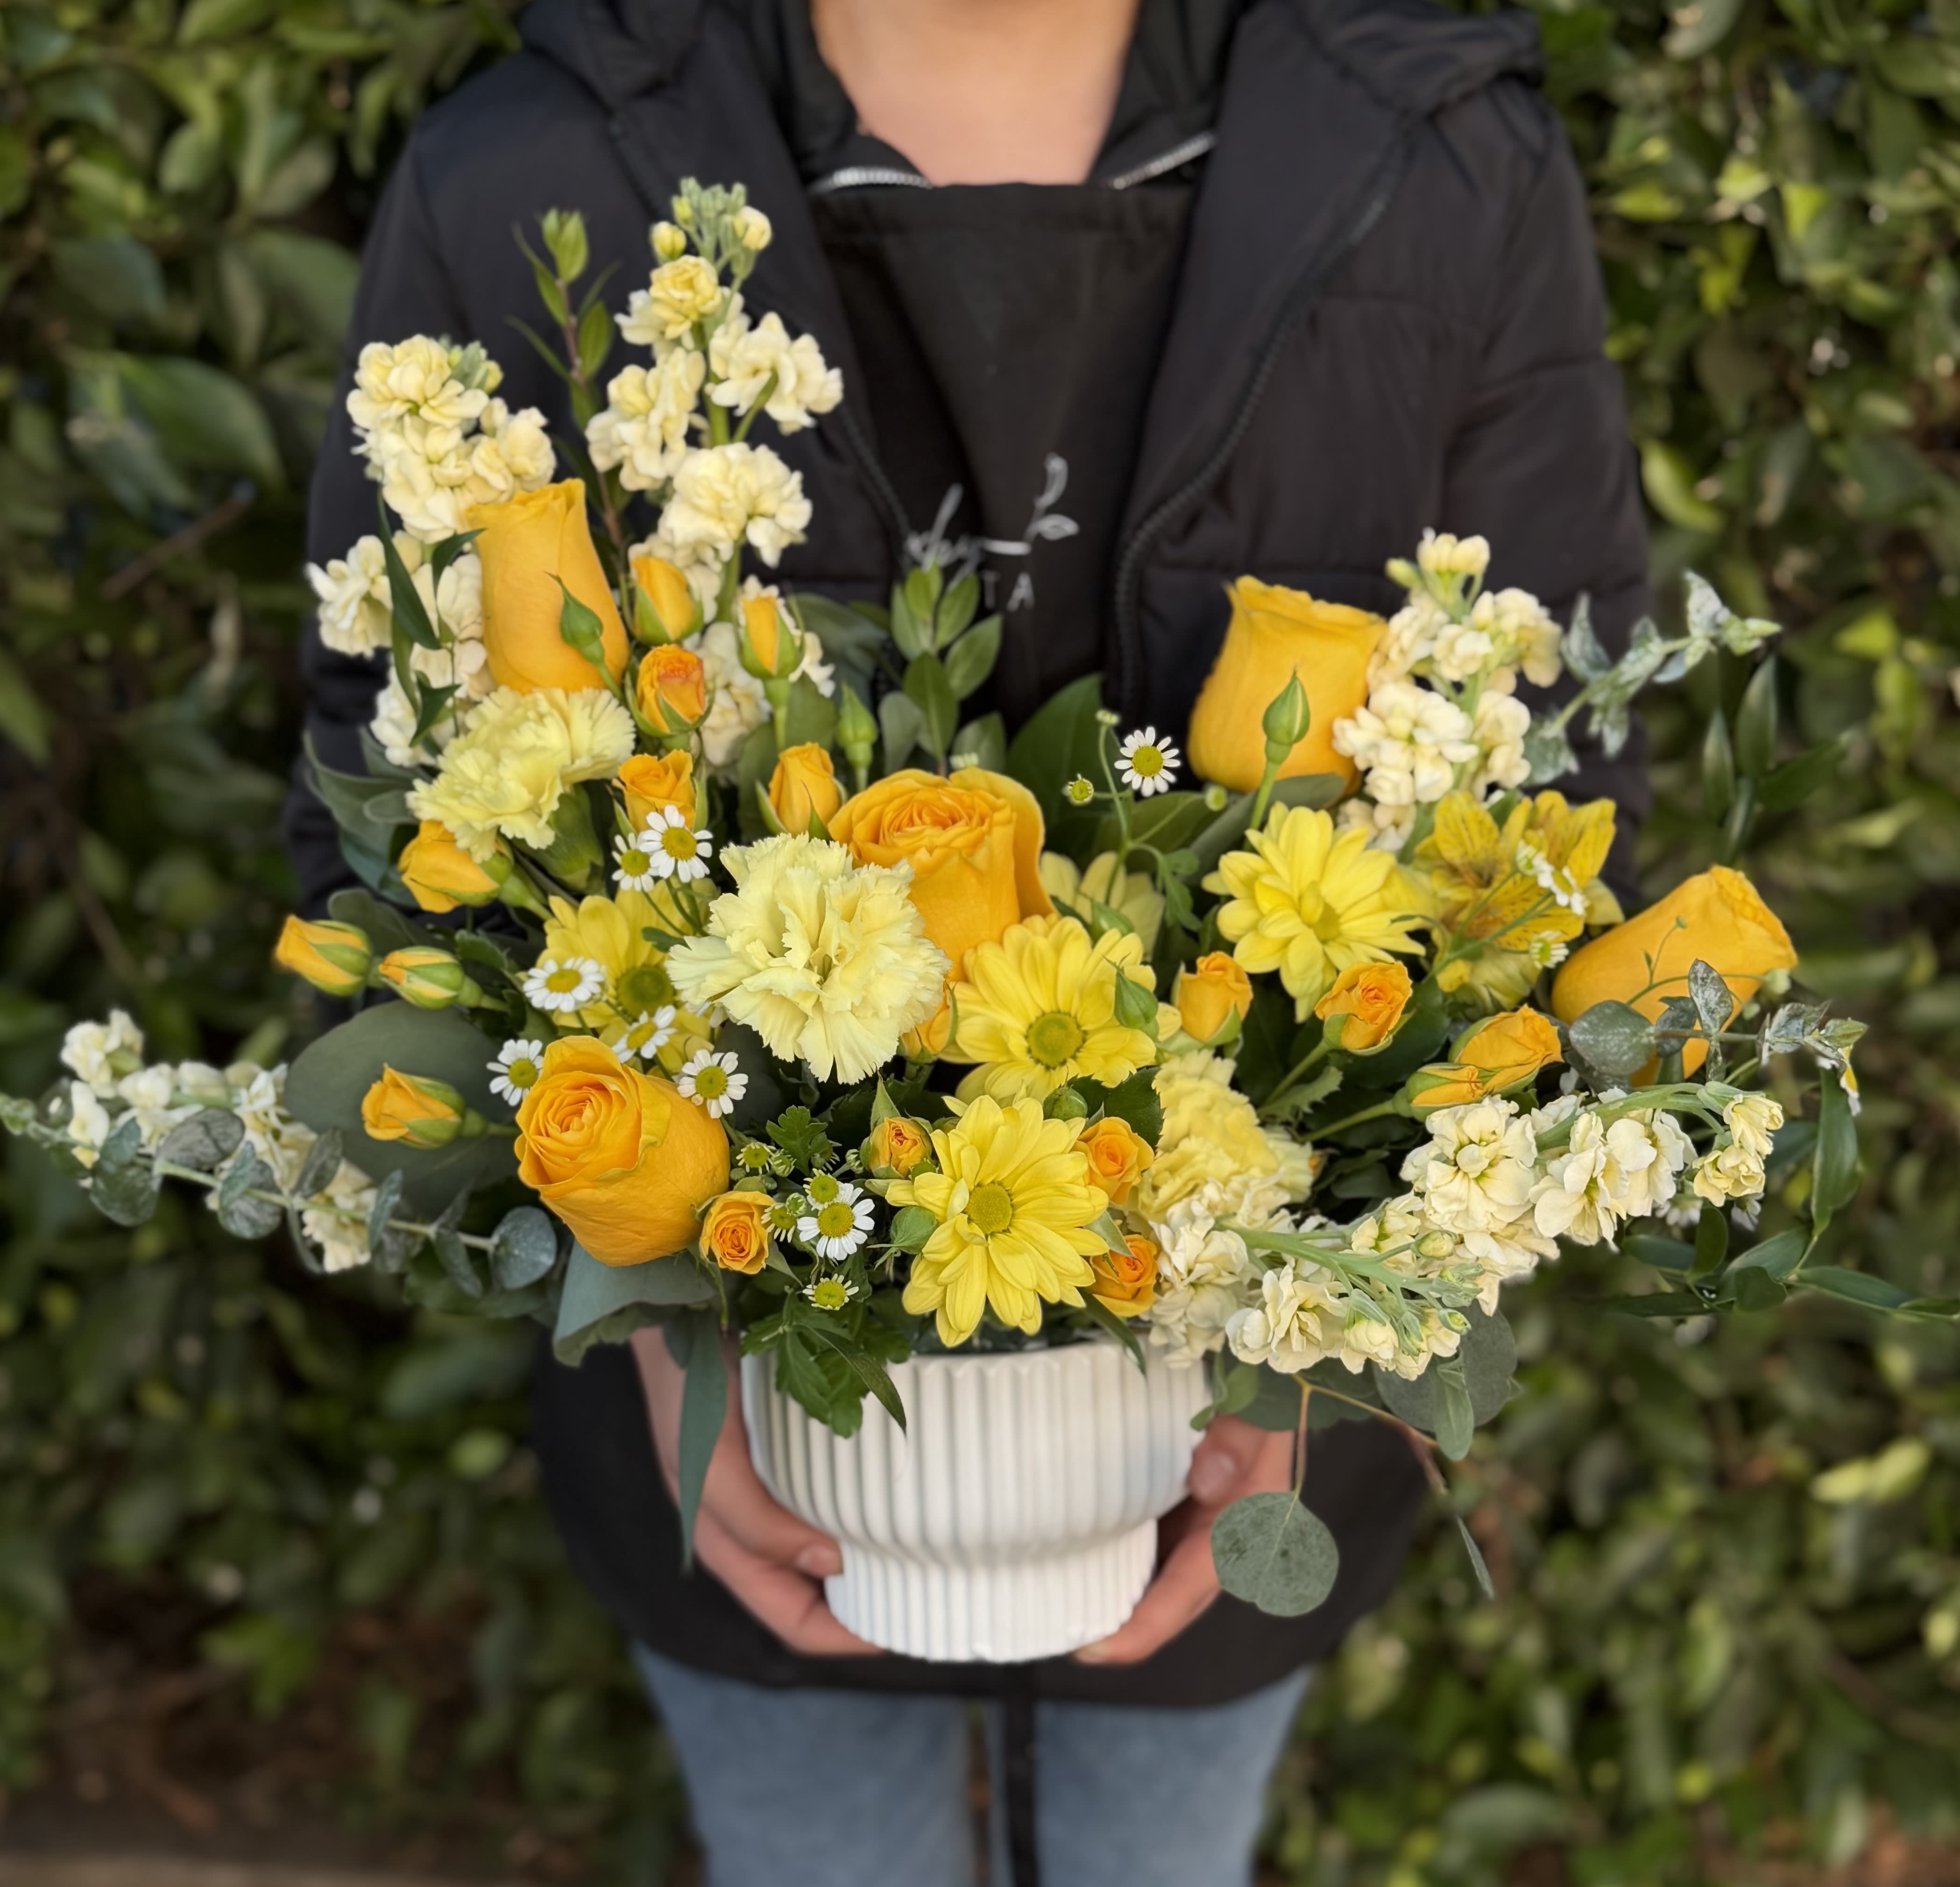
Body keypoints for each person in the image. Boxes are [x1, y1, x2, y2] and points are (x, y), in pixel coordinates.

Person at [291, 0, 1651, 1880]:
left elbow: (1562, 809)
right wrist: (662, 1301)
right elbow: (382, 830)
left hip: (1237, 1464)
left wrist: (1301, 1353)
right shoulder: (527, 170)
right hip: (733, 1487)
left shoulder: (1433, 153)